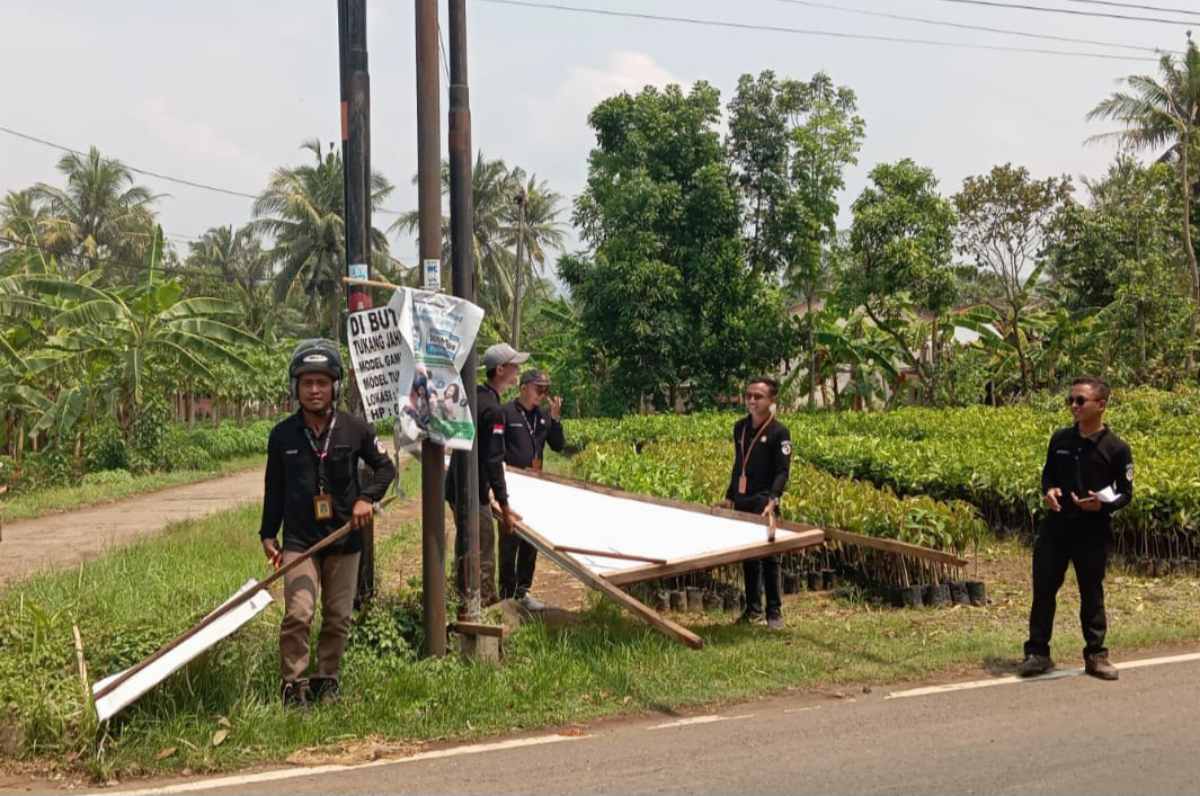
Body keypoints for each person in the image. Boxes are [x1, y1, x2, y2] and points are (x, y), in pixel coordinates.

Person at [259, 339, 396, 708]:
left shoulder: (355, 429)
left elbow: (386, 468)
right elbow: (275, 488)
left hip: (345, 539)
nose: (314, 390)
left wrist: (366, 498)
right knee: (298, 613)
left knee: (337, 616)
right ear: (296, 388)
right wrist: (267, 533)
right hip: (300, 542)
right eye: (307, 383)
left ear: (334, 386)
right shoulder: (282, 435)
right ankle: (293, 685)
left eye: (321, 382)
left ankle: (326, 679)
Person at [1018, 377, 1133, 681]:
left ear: (1101, 405)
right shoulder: (1060, 440)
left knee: (1091, 593)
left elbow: (1125, 493)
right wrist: (1050, 491)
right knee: (1043, 590)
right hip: (1055, 528)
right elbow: (1048, 476)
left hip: (1092, 531)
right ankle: (1037, 653)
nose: (1074, 406)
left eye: (1080, 401)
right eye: (1070, 400)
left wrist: (1102, 505)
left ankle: (1096, 655)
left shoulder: (1117, 448)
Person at [446, 342, 527, 608]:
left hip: (456, 486)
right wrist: (504, 506)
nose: (518, 372)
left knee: (466, 547)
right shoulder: (493, 409)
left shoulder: (474, 397)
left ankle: (461, 600)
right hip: (472, 489)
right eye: (514, 367)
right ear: (501, 369)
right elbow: (493, 461)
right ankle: (480, 609)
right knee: (482, 550)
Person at [720, 377, 792, 630]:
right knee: (748, 557)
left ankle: (774, 613)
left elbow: (782, 471)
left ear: (771, 400)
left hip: (764, 501)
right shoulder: (739, 428)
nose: (751, 400)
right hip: (743, 498)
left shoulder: (779, 432)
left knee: (769, 557)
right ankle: (752, 610)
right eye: (749, 395)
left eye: (758, 396)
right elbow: (738, 464)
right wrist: (730, 495)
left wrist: (774, 498)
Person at [499, 369, 566, 609]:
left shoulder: (543, 418)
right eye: (539, 388)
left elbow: (558, 446)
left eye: (545, 390)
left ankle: (523, 591)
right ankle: (506, 593)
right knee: (510, 538)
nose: (542, 394)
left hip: (535, 487)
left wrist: (556, 419)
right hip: (511, 485)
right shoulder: (506, 413)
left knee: (531, 542)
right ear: (524, 387)